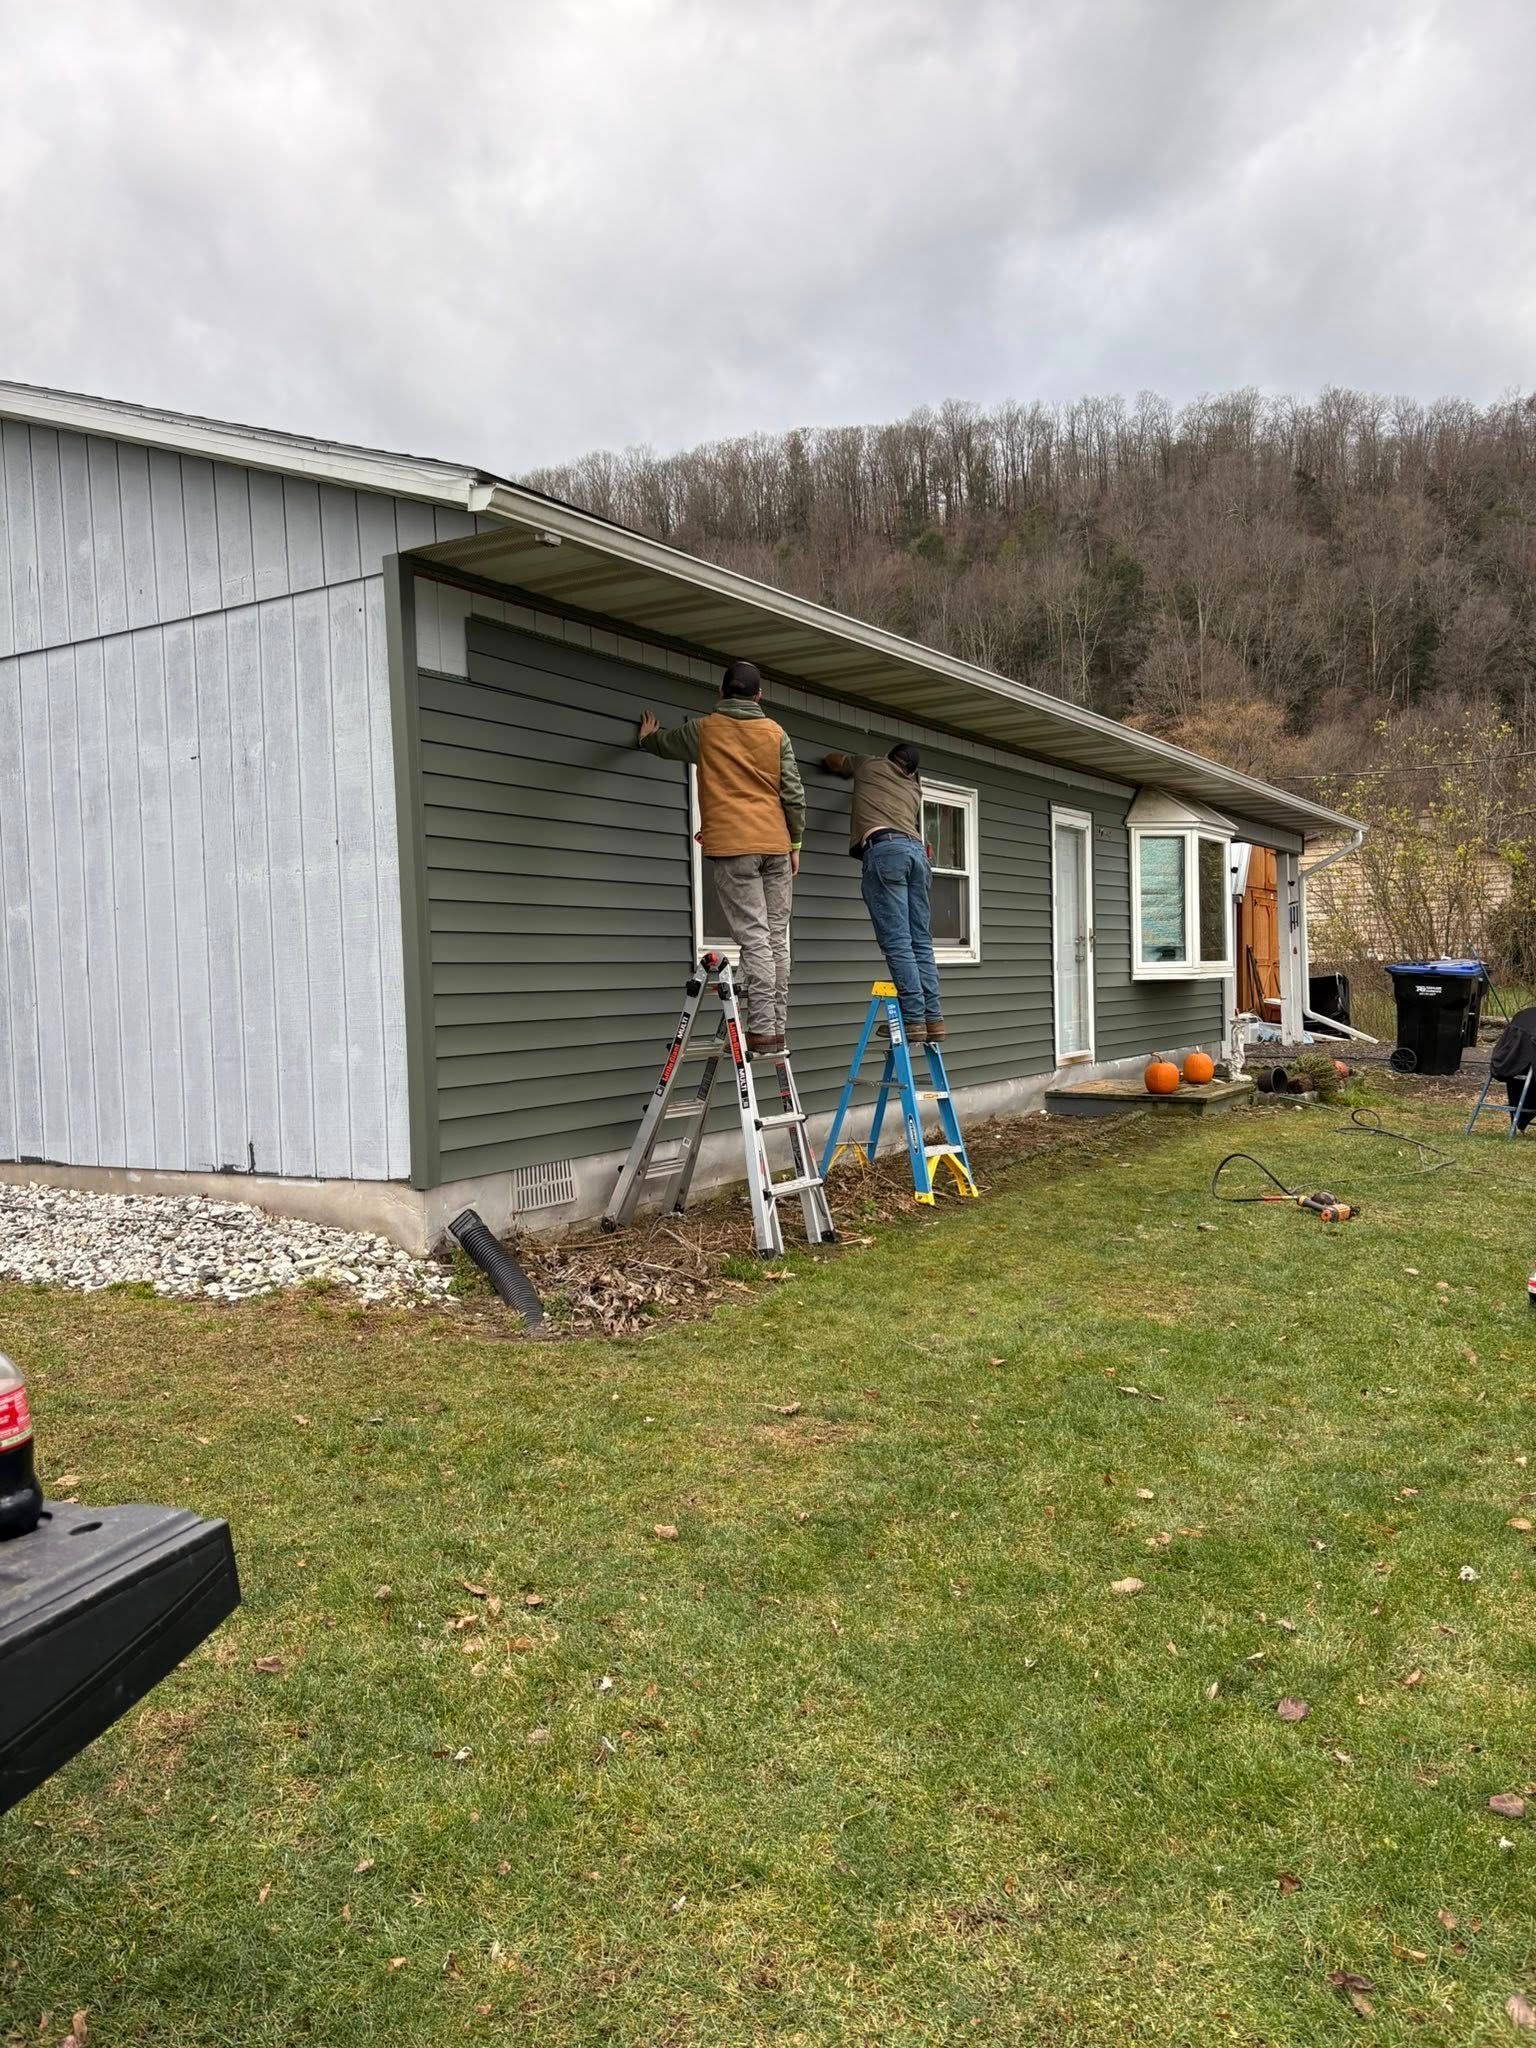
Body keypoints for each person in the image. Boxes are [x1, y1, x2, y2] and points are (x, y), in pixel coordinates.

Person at [636, 659, 805, 1057]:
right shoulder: (775, 733)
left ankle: (761, 1030)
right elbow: (794, 794)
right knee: (775, 938)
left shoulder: (704, 730)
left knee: (755, 939)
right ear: (759, 696)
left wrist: (647, 739)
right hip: (776, 845)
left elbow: (666, 743)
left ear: (721, 692)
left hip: (734, 848)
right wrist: (795, 844)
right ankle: (776, 1028)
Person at [822, 742, 944, 1044]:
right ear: (912, 770)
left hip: (886, 850)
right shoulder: (915, 788)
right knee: (920, 942)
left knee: (898, 942)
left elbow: (834, 760)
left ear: (889, 757)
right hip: (918, 854)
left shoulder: (869, 764)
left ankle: (913, 1019)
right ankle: (934, 1019)